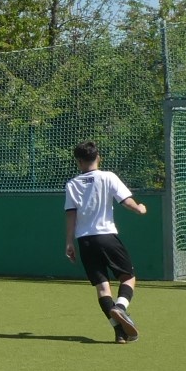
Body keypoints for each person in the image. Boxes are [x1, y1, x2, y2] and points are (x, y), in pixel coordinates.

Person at [63, 140, 148, 342]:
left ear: (79, 161)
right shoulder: (108, 177)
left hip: (85, 241)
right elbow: (127, 201)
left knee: (102, 287)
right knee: (128, 277)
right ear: (98, 157)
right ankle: (121, 307)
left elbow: (71, 215)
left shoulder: (72, 184)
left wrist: (69, 242)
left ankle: (119, 332)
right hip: (107, 237)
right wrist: (140, 208)